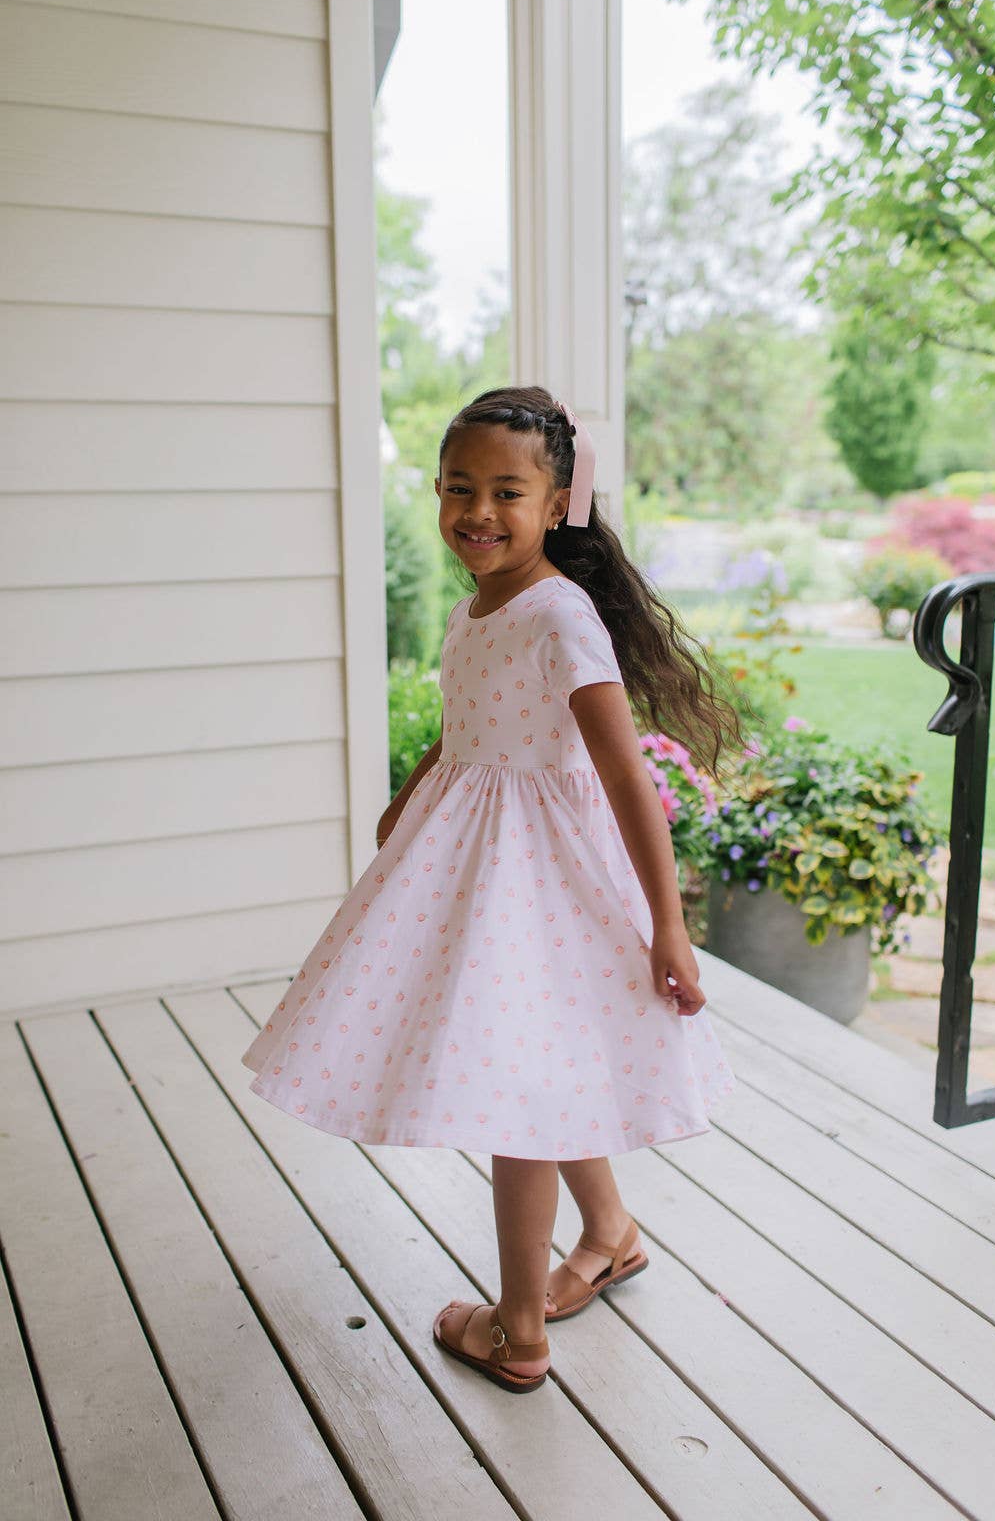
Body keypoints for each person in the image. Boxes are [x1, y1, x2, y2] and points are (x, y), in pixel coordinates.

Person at [241, 384, 747, 1394]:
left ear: (558, 501)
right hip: (468, 864)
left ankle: (519, 1332)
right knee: (540, 1068)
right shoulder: (481, 609)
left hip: (544, 882)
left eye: (506, 491)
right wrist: (415, 793)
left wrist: (668, 927)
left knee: (523, 1093)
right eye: (457, 488)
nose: (477, 510)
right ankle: (608, 1233)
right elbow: (465, 721)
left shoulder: (560, 615)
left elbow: (624, 777)